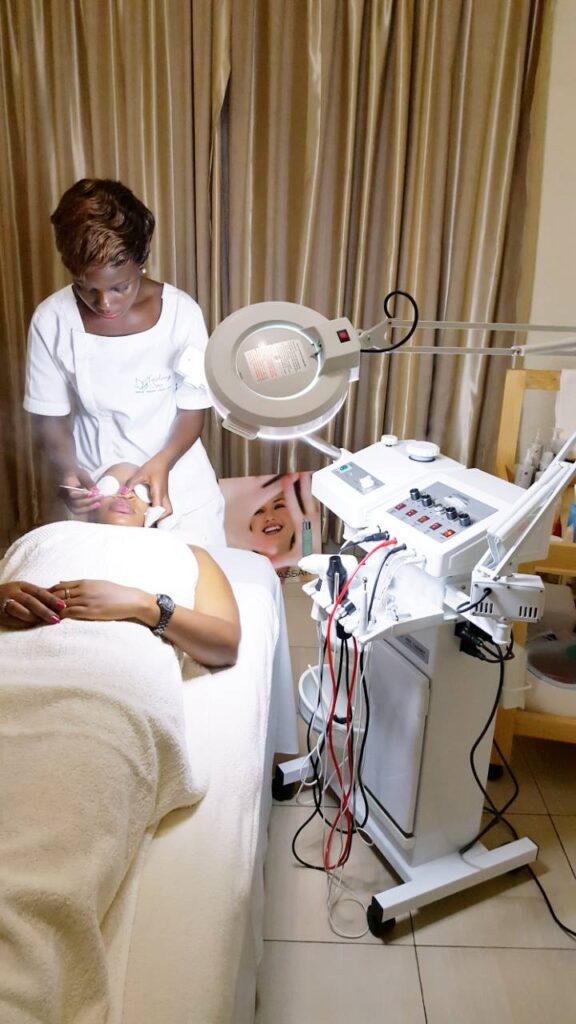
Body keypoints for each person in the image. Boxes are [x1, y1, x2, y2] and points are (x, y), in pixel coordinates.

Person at [23, 177, 226, 546]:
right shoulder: (52, 320)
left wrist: (164, 460)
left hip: (179, 484)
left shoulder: (181, 314)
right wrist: (68, 470)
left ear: (140, 263)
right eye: (87, 288)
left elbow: (192, 410)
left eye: (120, 287)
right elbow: (48, 418)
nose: (104, 304)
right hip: (100, 497)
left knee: (194, 596)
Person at [0, 462, 239, 667]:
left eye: (143, 491)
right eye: (109, 486)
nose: (125, 494)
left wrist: (143, 605)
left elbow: (226, 645)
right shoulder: (46, 537)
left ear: (156, 509)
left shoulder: (185, 551)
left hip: (117, 679)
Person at [220, 471, 322, 570]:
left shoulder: (311, 566)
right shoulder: (231, 562)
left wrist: (315, 565)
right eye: (259, 511)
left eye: (279, 506)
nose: (269, 517)